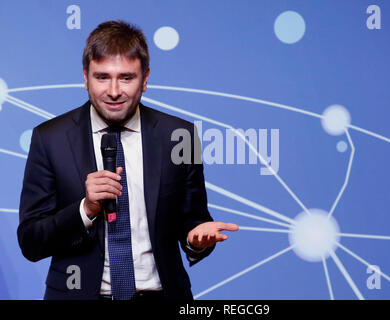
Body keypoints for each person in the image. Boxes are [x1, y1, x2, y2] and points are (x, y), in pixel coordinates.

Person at [17, 20, 238, 300]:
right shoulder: (50, 139)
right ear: (85, 77)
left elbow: (193, 221)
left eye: (126, 77)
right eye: (101, 77)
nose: (113, 91)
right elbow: (31, 241)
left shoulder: (180, 135)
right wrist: (86, 209)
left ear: (145, 79)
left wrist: (196, 240)